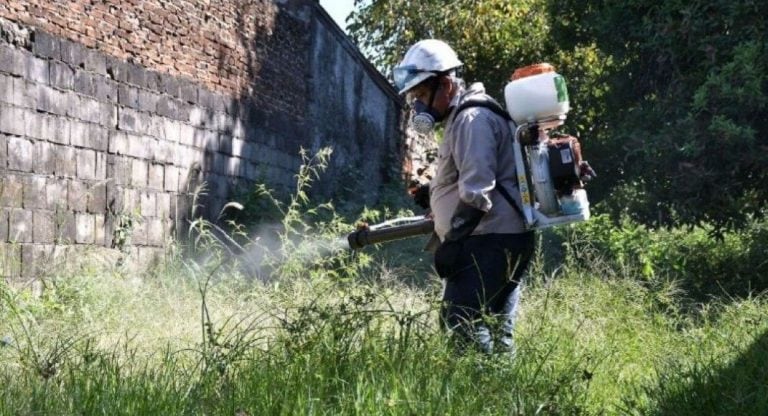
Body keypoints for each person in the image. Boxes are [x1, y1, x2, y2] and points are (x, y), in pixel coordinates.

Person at [393, 39, 535, 354]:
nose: (418, 106)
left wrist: (453, 243)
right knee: (497, 332)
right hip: (501, 237)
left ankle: (482, 390)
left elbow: (477, 191)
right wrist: (434, 193)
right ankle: (504, 396)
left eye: (420, 95)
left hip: (491, 240)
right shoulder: (464, 117)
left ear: (445, 85)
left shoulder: (473, 119)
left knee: (461, 323)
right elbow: (475, 174)